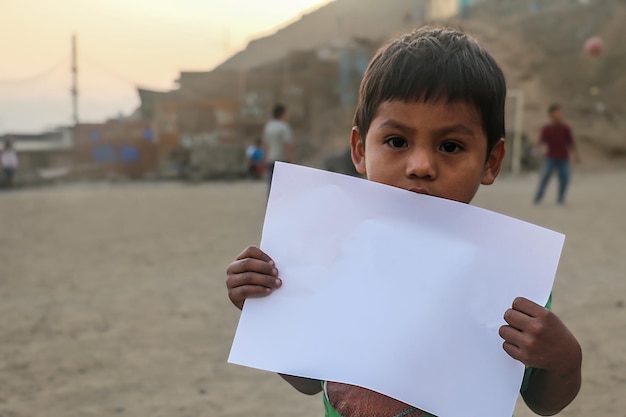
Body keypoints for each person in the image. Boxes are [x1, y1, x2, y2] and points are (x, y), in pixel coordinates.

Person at [226, 27, 582, 417]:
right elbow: (313, 383)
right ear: (360, 151)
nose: (421, 166)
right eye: (396, 141)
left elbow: (544, 403)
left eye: (451, 146)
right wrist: (264, 309)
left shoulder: (509, 275)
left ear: (491, 162)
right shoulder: (331, 253)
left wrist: (563, 358)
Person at [533, 103, 580, 205]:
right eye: (557, 113)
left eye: (560, 113)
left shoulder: (566, 128)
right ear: (551, 115)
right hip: (551, 158)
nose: (560, 115)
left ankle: (561, 199)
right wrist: (535, 150)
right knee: (545, 177)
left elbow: (571, 142)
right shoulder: (547, 129)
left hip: (563, 158)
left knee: (564, 179)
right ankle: (538, 197)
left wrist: (576, 155)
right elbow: (540, 142)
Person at [262, 103, 295, 191]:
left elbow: (266, 145)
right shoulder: (284, 127)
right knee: (283, 184)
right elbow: (287, 144)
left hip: (271, 159)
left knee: (271, 183)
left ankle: (271, 202)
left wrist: (265, 158)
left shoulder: (269, 126)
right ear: (282, 114)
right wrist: (292, 160)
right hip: (282, 159)